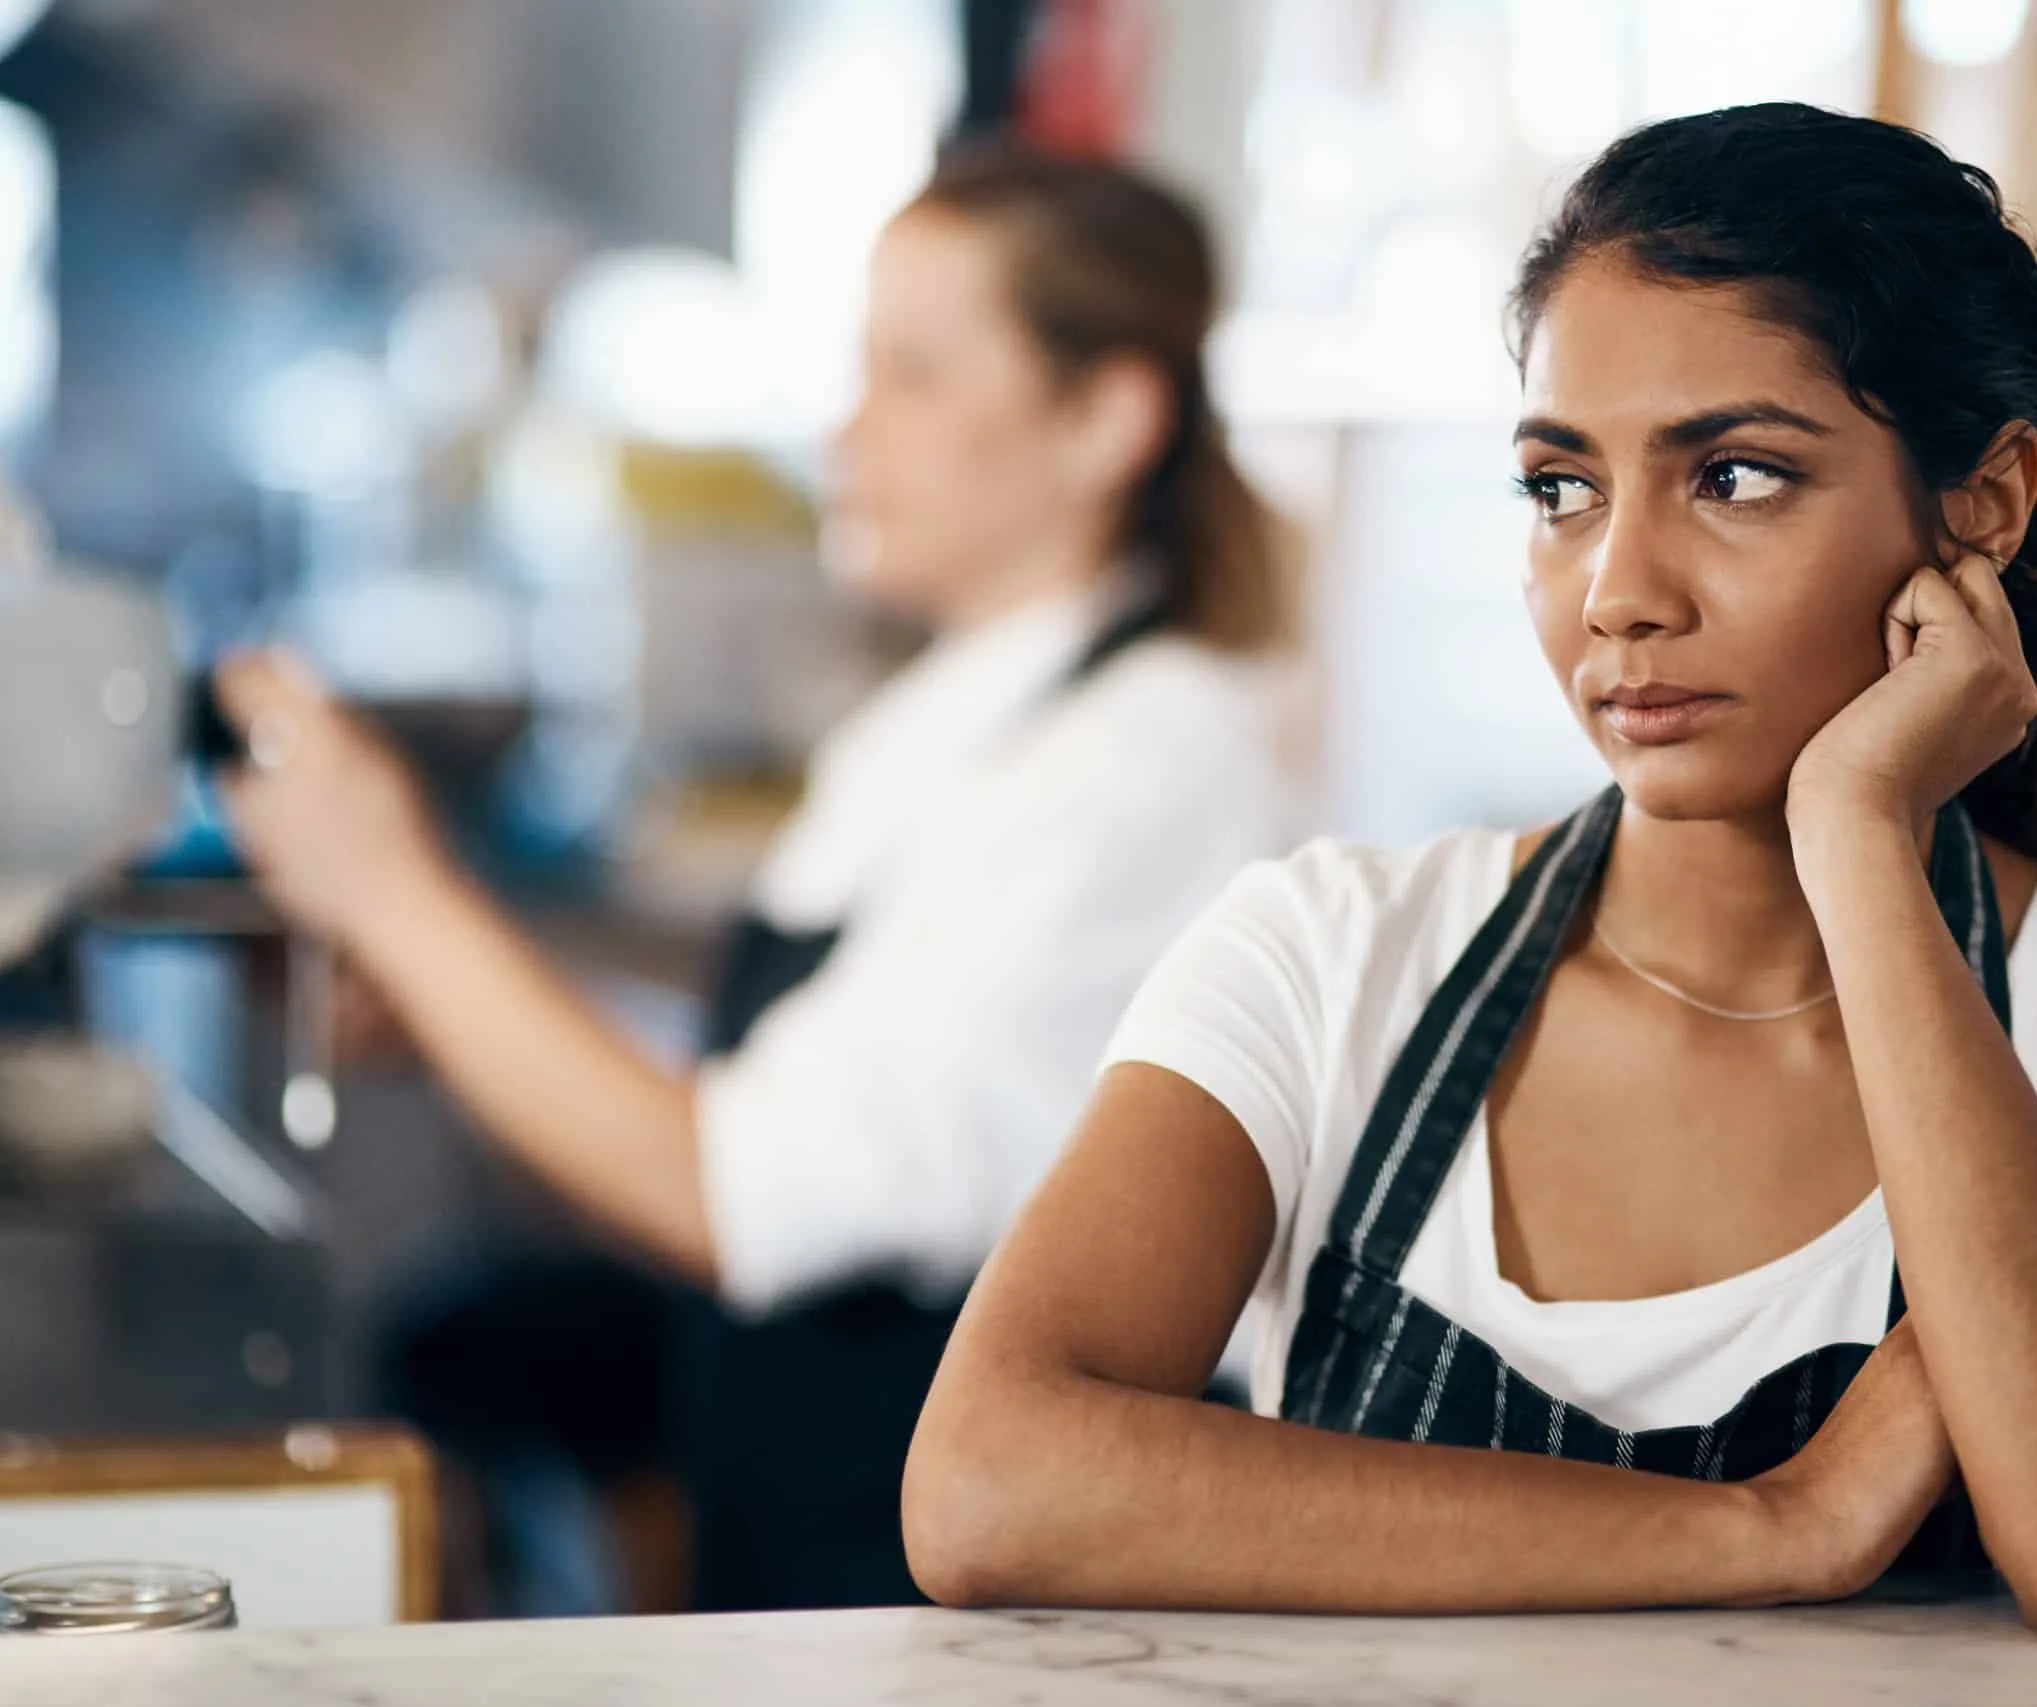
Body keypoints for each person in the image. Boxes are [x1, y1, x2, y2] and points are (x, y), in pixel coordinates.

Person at [903, 104, 2037, 1638]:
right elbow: (986, 1485)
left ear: (1982, 500)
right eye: (1561, 488)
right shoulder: (1325, 956)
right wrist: (1784, 1519)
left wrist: (1856, 832)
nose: (1620, 592)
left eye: (1736, 477)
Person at [215, 144, 1299, 1610]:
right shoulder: (972, 709)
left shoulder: (1138, 765)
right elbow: (813, 1085)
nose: (847, 428)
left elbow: (740, 1193)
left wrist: (397, 890)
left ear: (1106, 418)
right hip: (820, 1512)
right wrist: (454, 1006)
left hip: (952, 1580)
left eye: (914, 374)